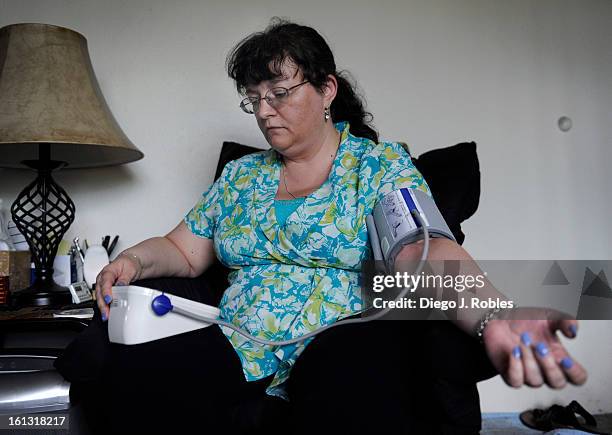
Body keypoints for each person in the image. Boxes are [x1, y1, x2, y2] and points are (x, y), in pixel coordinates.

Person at [81, 18, 586, 434]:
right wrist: (132, 261)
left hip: (338, 337)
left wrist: (492, 314)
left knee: (348, 380)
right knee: (143, 369)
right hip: (239, 340)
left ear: (326, 90)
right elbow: (183, 250)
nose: (263, 111)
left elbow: (421, 251)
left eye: (278, 92)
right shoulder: (240, 177)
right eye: (252, 99)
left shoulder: (377, 166)